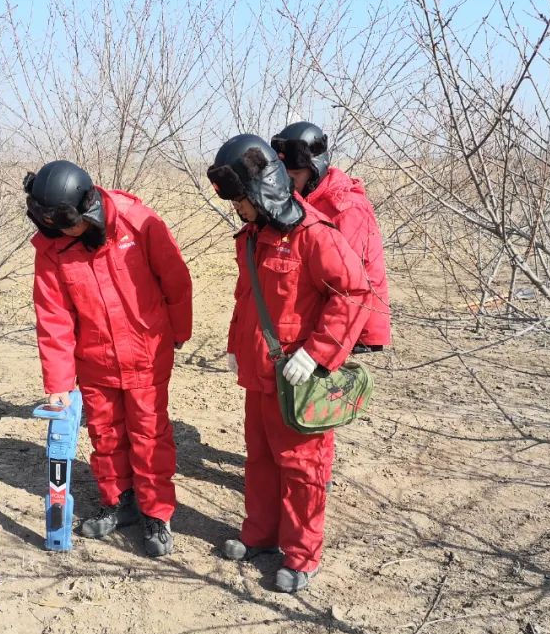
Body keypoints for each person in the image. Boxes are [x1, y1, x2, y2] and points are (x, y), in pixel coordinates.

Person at [207, 135, 371, 593]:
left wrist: (317, 353)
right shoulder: (251, 236)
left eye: (240, 199)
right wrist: (236, 347)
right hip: (260, 375)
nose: (237, 209)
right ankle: (260, 534)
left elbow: (354, 293)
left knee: (302, 468)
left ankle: (301, 555)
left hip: (299, 379)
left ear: (262, 191)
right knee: (260, 459)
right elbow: (247, 300)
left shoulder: (314, 234)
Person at [25, 160, 192, 557]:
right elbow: (53, 318)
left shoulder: (138, 222)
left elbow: (175, 280)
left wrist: (178, 332)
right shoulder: (51, 247)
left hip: (146, 351)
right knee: (106, 433)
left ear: (86, 206)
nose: (63, 233)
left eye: (68, 224)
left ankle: (156, 514)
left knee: (149, 435)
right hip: (94, 359)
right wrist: (59, 384)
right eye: (54, 226)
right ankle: (119, 501)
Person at [270, 121, 390, 352]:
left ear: (316, 169)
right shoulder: (308, 200)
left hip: (353, 325)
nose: (289, 182)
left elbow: (351, 281)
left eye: (296, 174)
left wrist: (327, 342)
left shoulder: (345, 208)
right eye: (285, 174)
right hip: (325, 317)